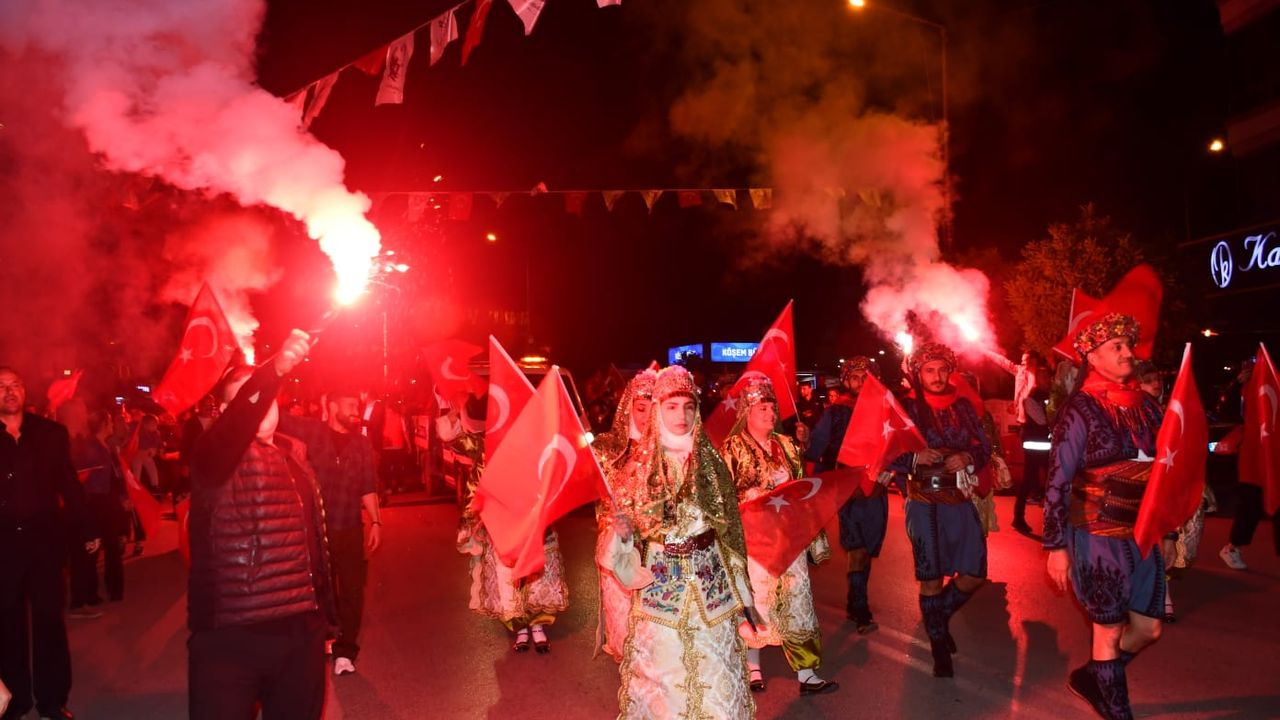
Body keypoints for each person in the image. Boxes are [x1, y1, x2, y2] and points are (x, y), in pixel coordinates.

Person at [186, 331, 336, 720]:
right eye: (248, 397)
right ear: (225, 412)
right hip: (232, 638)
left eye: (268, 395)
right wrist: (276, 368)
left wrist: (324, 620)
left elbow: (314, 544)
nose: (261, 404)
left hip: (299, 633)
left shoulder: (295, 454)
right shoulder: (213, 457)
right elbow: (237, 422)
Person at [607, 365, 755, 718]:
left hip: (711, 585)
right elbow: (623, 539)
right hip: (661, 589)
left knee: (716, 674)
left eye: (688, 406)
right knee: (666, 680)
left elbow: (731, 531)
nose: (681, 415)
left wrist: (743, 590)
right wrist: (625, 537)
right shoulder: (638, 469)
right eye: (672, 407)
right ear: (658, 410)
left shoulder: (713, 463)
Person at [1043, 314, 1165, 720]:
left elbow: (1167, 470)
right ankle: (1116, 710)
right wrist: (1056, 546)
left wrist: (1169, 528)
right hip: (1095, 531)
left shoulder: (1148, 406)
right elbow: (1057, 479)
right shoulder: (1080, 409)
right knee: (1108, 630)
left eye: (1129, 345)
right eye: (1117, 346)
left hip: (1143, 531)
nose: (1128, 352)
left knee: (1149, 629)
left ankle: (1096, 676)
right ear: (1092, 357)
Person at [723, 376, 838, 695]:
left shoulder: (786, 445)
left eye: (773, 407)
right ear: (747, 411)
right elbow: (722, 495)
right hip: (754, 540)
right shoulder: (732, 448)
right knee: (757, 601)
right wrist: (750, 496)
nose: (770, 413)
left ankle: (807, 672)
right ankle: (752, 667)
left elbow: (802, 486)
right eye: (762, 407)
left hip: (788, 539)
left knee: (798, 600)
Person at [0, 367, 100, 720]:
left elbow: (69, 485)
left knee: (49, 625)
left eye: (15, 385)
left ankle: (52, 701)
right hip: (3, 550)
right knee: (7, 627)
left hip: (44, 545)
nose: (9, 392)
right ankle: (14, 700)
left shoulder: (51, 434)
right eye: (1, 387)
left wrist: (88, 529)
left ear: (25, 391)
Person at [443, 376, 568, 654]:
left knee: (537, 574)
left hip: (537, 524)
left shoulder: (541, 443)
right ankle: (519, 628)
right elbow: (453, 441)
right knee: (508, 575)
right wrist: (455, 411)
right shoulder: (487, 443)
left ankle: (538, 625)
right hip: (503, 526)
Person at [889, 343, 991, 679]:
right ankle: (937, 645)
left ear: (951, 372)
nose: (937, 376)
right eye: (930, 370)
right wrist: (913, 458)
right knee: (930, 578)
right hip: (923, 503)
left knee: (975, 572)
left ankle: (938, 617)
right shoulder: (905, 408)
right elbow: (887, 451)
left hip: (959, 500)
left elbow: (982, 445)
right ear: (918, 374)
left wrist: (969, 457)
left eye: (942, 369)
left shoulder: (962, 405)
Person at [278, 387, 382, 676]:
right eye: (350, 404)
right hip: (316, 529)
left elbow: (368, 486)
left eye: (357, 405)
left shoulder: (361, 444)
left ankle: (345, 651)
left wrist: (376, 522)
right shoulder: (311, 432)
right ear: (331, 405)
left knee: (351, 591)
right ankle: (325, 639)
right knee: (319, 589)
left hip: (349, 526)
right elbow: (277, 418)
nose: (355, 410)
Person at [804, 357, 889, 634]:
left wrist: (891, 473)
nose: (861, 382)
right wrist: (806, 444)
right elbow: (817, 447)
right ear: (846, 381)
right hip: (849, 489)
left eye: (866, 377)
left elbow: (898, 445)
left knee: (869, 548)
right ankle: (859, 608)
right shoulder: (836, 412)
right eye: (855, 377)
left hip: (877, 487)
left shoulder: (886, 410)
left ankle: (857, 599)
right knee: (857, 549)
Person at [589, 369, 656, 662]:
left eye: (654, 410)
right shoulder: (606, 449)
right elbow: (599, 500)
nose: (646, 417)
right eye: (641, 409)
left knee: (654, 631)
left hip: (655, 548)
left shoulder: (667, 453)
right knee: (625, 630)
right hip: (619, 547)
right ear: (628, 406)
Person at [68, 410, 130, 613]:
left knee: (112, 546)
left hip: (107, 501)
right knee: (91, 550)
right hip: (92, 502)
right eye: (110, 421)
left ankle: (115, 590)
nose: (112, 424)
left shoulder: (108, 447)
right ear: (103, 424)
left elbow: (116, 474)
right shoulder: (88, 447)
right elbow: (78, 477)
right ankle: (86, 595)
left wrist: (123, 496)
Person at [1013, 366, 1054, 535]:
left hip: (1046, 445)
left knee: (1051, 482)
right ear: (1037, 379)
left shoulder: (1047, 396)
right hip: (1035, 445)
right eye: (1044, 377)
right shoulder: (1031, 398)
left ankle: (1051, 520)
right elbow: (1042, 420)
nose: (1048, 380)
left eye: (1048, 377)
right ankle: (1018, 518)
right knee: (1029, 482)